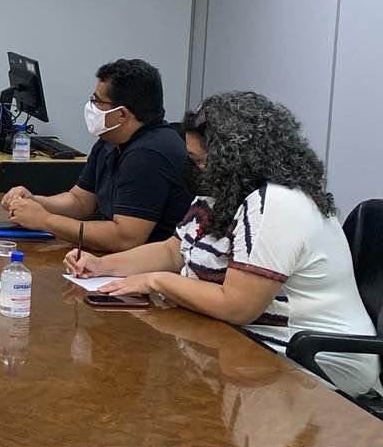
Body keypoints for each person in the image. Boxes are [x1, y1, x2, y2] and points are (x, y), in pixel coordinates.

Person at [71, 91, 379, 399]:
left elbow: (237, 306)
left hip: (312, 359)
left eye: (203, 161)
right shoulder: (222, 195)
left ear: (233, 158)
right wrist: (102, 265)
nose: (200, 170)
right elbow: (172, 251)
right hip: (247, 345)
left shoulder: (278, 204)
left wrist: (157, 281)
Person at [2, 57, 190, 253]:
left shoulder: (150, 154)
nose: (90, 106)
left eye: (97, 101)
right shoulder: (111, 140)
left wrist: (45, 220)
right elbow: (80, 201)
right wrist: (35, 202)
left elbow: (125, 238)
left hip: (153, 266)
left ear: (122, 114)